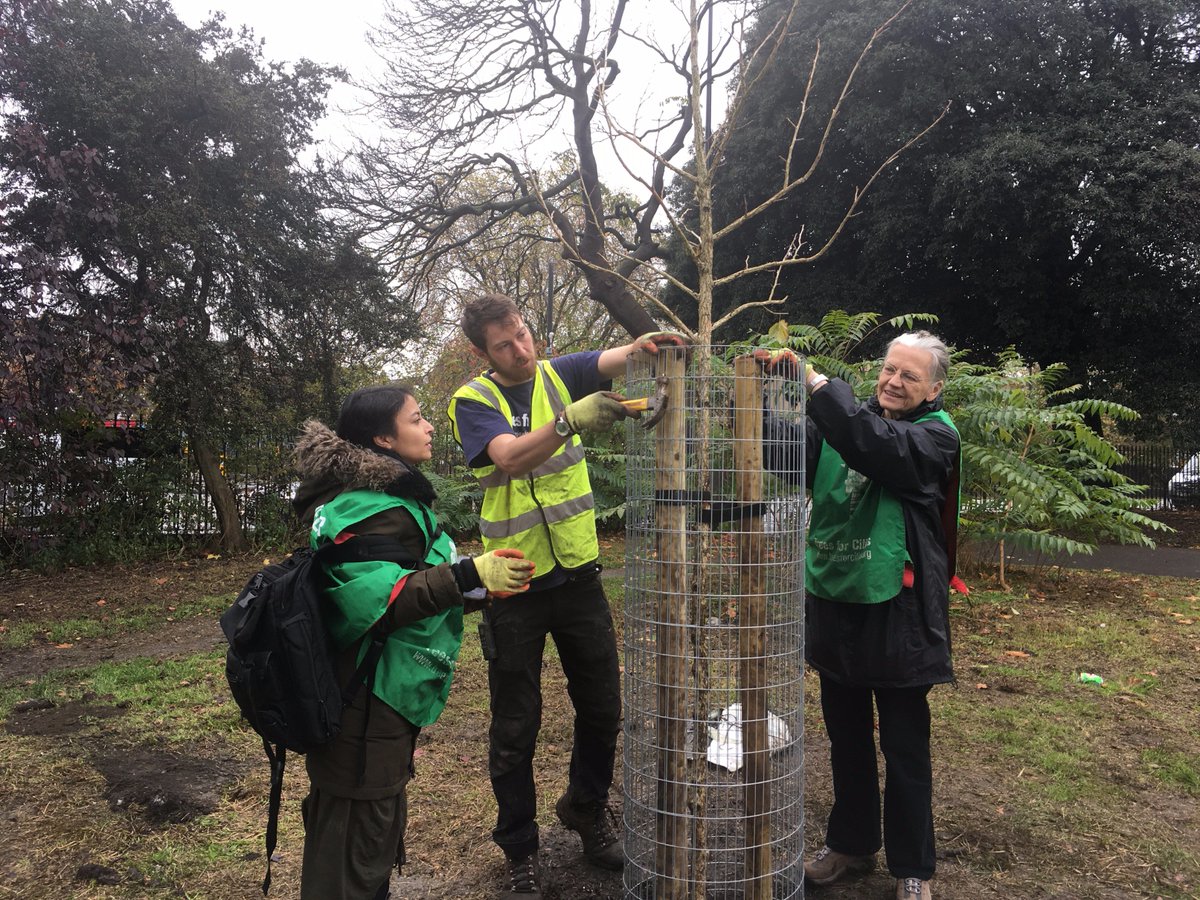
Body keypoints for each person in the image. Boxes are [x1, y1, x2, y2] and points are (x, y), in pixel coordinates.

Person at [447, 292, 687, 896]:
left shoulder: (560, 372)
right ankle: (520, 846)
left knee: (604, 707)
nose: (521, 349)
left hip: (578, 576)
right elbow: (510, 457)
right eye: (504, 345)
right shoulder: (474, 401)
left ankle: (585, 810)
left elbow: (618, 358)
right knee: (516, 724)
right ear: (482, 352)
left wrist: (647, 347)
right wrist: (571, 420)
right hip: (515, 582)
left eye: (523, 334)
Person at [291, 383, 535, 900]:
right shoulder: (371, 510)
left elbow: (416, 575)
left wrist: (475, 586)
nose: (428, 427)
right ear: (383, 438)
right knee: (356, 836)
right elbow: (379, 601)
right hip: (365, 699)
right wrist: (467, 573)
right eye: (417, 419)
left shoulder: (385, 499)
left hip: (379, 695)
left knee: (373, 821)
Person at [758, 331, 961, 900]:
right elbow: (789, 457)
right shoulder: (848, 420)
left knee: (904, 745)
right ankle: (850, 843)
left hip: (899, 613)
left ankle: (912, 867)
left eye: (910, 376)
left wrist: (819, 384)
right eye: (889, 369)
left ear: (934, 389)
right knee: (845, 737)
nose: (893, 382)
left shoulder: (935, 439)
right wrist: (758, 399)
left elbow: (876, 447)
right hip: (836, 603)